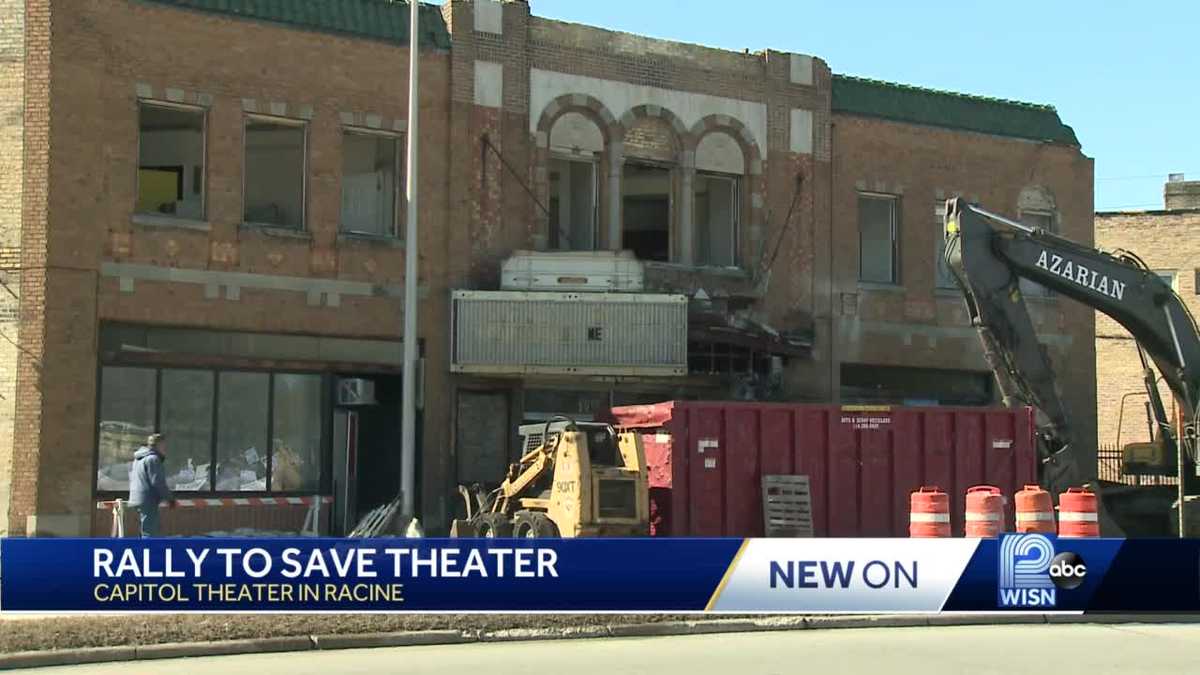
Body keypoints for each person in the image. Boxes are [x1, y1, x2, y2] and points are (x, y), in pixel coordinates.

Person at [128, 433, 175, 537]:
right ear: (159, 445)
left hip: (136, 498)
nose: (165, 449)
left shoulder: (139, 458)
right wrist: (169, 498)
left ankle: (142, 551)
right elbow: (157, 481)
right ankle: (149, 552)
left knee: (144, 530)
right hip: (147, 499)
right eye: (164, 445)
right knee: (150, 532)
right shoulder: (153, 459)